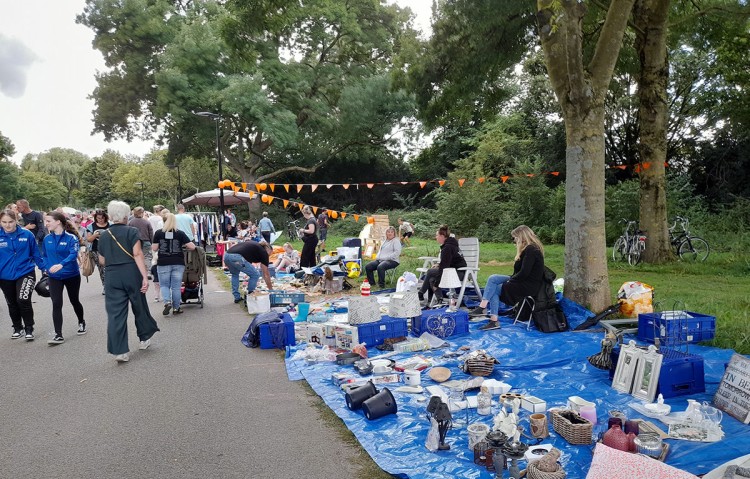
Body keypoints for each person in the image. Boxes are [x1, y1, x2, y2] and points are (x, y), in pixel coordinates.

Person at [97, 200, 159, 363]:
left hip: (112, 275)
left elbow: (102, 260)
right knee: (139, 305)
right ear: (126, 216)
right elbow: (138, 254)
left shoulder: (103, 235)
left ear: (110, 216)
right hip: (131, 272)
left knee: (116, 313)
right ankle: (144, 338)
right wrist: (145, 277)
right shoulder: (132, 231)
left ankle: (120, 351)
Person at [474, 225, 546, 331]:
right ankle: (484, 309)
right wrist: (511, 278)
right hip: (522, 280)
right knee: (493, 278)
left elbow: (524, 273)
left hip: (527, 285)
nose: (515, 240)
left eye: (516, 237)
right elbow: (521, 272)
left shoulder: (531, 249)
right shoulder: (530, 248)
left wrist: (510, 280)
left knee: (494, 289)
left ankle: (490, 316)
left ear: (522, 236)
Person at [42, 211, 86, 344]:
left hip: (71, 275)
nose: (46, 223)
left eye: (48, 221)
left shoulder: (71, 238)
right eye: (45, 221)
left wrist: (61, 264)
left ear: (58, 222)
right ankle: (58, 334)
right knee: (56, 303)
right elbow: (44, 255)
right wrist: (47, 267)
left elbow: (73, 254)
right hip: (54, 276)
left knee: (74, 300)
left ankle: (81, 321)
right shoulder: (47, 239)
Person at [0, 208, 45, 340]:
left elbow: (36, 254)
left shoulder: (27, 235)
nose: (8, 225)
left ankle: (29, 328)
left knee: (23, 299)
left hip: (25, 272)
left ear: (16, 220)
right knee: (12, 302)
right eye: (4, 222)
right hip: (4, 275)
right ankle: (17, 327)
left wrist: (45, 269)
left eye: (10, 222)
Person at [152, 213, 196, 315]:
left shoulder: (158, 233)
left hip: (163, 262)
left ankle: (167, 302)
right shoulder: (180, 233)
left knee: (164, 285)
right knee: (176, 287)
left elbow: (154, 248)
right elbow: (192, 247)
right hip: (178, 262)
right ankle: (176, 308)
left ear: (163, 221)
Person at [418, 225, 466, 305]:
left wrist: (437, 284)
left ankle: (421, 293)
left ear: (442, 236)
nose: (435, 237)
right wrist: (439, 264)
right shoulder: (451, 245)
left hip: (458, 273)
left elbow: (444, 268)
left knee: (430, 272)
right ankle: (439, 299)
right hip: (453, 270)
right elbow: (449, 262)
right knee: (432, 279)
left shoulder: (447, 248)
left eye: (437, 235)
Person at [86, 209, 110, 291]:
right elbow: (89, 239)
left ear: (105, 218)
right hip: (96, 250)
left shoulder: (110, 225)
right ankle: (105, 286)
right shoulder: (91, 226)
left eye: (102, 218)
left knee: (110, 267)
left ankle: (112, 284)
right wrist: (95, 235)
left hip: (109, 249)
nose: (100, 220)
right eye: (98, 218)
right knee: (102, 268)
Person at [128, 207, 154, 272]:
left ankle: (138, 270)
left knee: (136, 256)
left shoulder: (131, 222)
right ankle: (148, 271)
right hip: (146, 241)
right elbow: (151, 233)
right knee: (147, 257)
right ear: (142, 213)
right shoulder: (146, 222)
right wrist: (152, 242)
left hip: (135, 242)